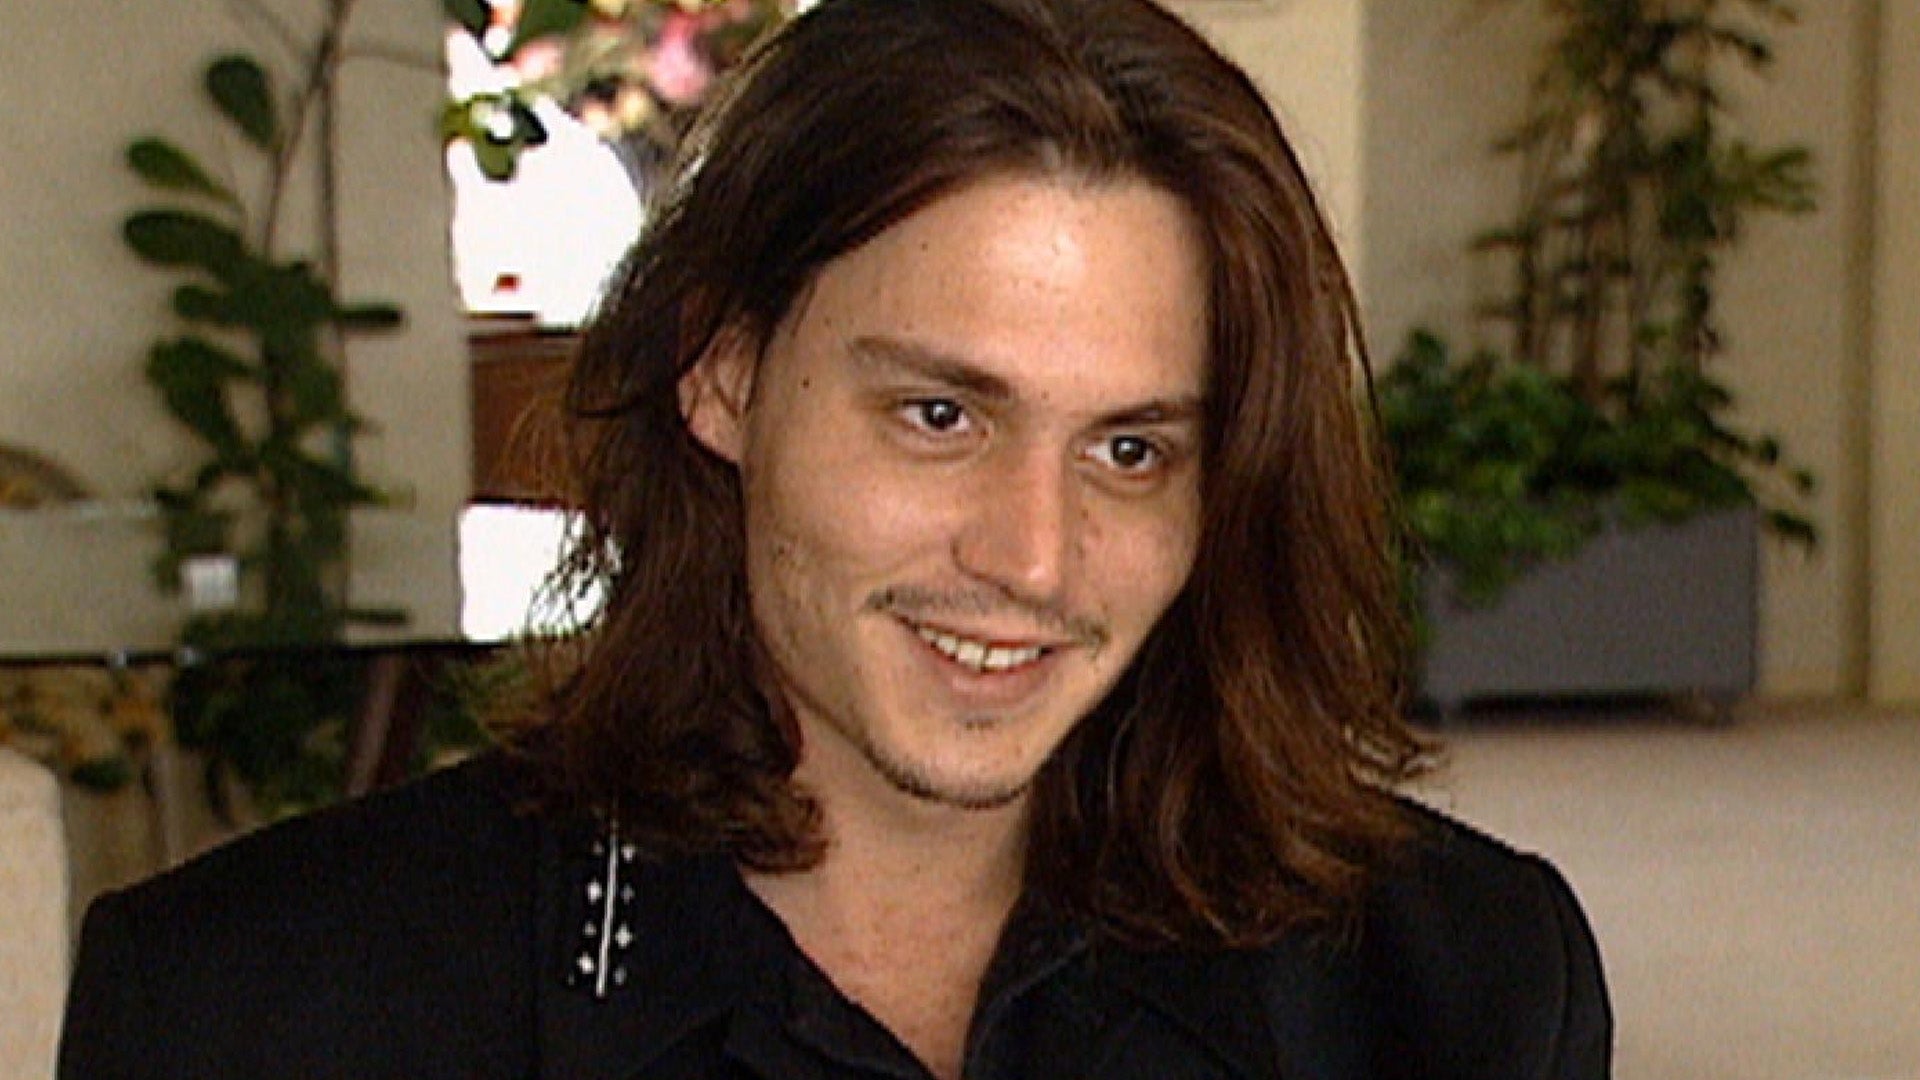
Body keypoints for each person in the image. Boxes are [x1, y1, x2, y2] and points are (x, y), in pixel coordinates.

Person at [58, 0, 1612, 1076]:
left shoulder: (1461, 987)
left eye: (1130, 451)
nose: (1035, 557)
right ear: (721, 373)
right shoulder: (247, 1012)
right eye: (940, 415)